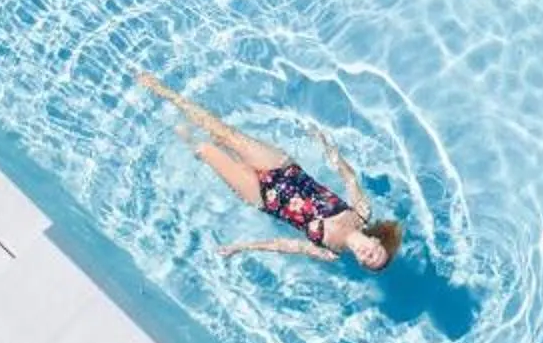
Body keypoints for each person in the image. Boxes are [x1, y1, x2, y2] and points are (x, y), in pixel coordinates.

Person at [137, 71, 403, 271]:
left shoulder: (329, 251)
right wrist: (324, 142)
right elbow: (348, 175)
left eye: (367, 260)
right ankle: (163, 92)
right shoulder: (361, 212)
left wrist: (240, 248)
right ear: (376, 242)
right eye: (374, 253)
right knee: (225, 134)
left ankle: (177, 127)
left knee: (205, 150)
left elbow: (284, 246)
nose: (367, 254)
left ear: (359, 260)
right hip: (282, 168)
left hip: (262, 198)